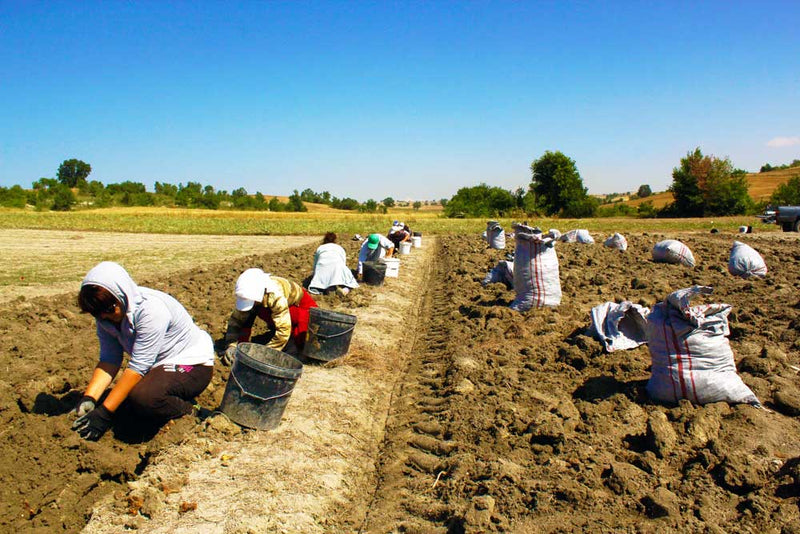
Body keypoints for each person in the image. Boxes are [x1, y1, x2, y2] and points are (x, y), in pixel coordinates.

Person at [72, 261, 215, 441]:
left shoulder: (151, 311)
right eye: (98, 313)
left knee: (145, 398)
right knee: (126, 402)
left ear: (121, 295)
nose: (105, 316)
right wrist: (90, 398)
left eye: (109, 309)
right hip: (158, 367)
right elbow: (110, 359)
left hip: (191, 365)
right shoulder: (106, 320)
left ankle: (194, 413)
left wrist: (104, 414)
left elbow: (138, 367)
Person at [222, 268, 318, 363]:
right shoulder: (250, 294)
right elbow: (236, 321)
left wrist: (265, 354)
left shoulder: (276, 295)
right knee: (248, 314)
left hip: (300, 308)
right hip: (274, 309)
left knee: (299, 338)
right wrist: (232, 345)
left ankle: (295, 346)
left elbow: (283, 330)